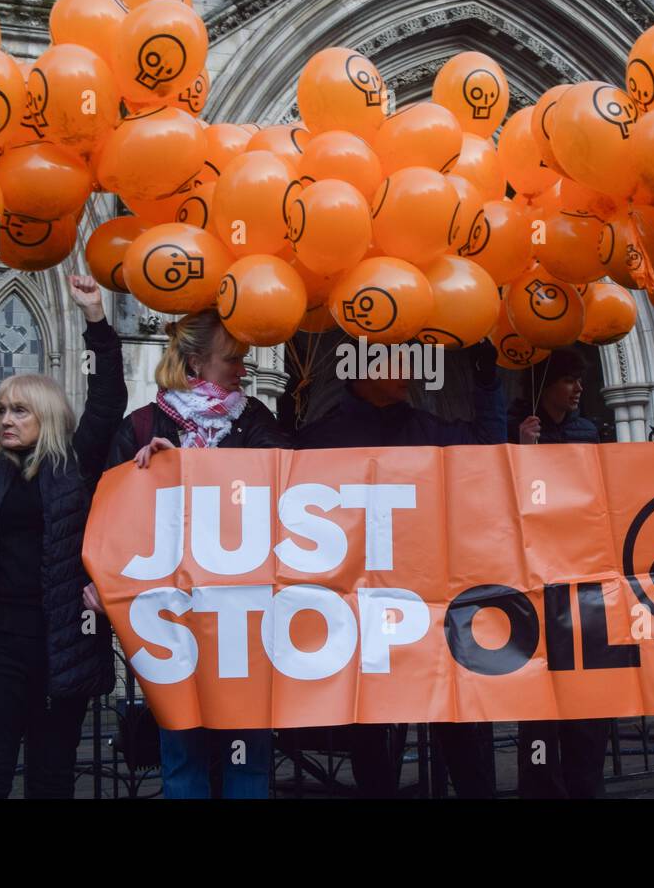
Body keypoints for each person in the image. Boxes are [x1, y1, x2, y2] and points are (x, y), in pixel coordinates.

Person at [0, 271, 126, 798]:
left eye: (18, 410)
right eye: (1, 411)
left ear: (48, 416)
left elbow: (108, 396)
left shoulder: (76, 465)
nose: (5, 420)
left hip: (63, 645)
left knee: (52, 775)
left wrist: (95, 319)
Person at [92, 309, 292, 799]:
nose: (243, 368)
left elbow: (288, 482)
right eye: (233, 359)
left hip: (243, 616)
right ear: (197, 362)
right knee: (182, 753)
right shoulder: (140, 427)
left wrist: (191, 464)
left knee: (247, 751)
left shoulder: (256, 419)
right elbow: (110, 518)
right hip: (172, 615)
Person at [297, 340, 505, 798]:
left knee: (457, 727)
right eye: (397, 358)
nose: (411, 368)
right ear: (362, 369)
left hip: (431, 613)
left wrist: (488, 376)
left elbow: (487, 449)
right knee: (372, 736)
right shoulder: (319, 440)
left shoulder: (429, 428)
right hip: (362, 620)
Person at [508, 348, 607, 798]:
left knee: (589, 693)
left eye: (579, 381)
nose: (578, 389)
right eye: (568, 380)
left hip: (584, 572)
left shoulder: (589, 432)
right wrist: (522, 451)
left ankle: (587, 785)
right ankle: (542, 787)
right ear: (543, 386)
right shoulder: (514, 429)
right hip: (534, 576)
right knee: (540, 698)